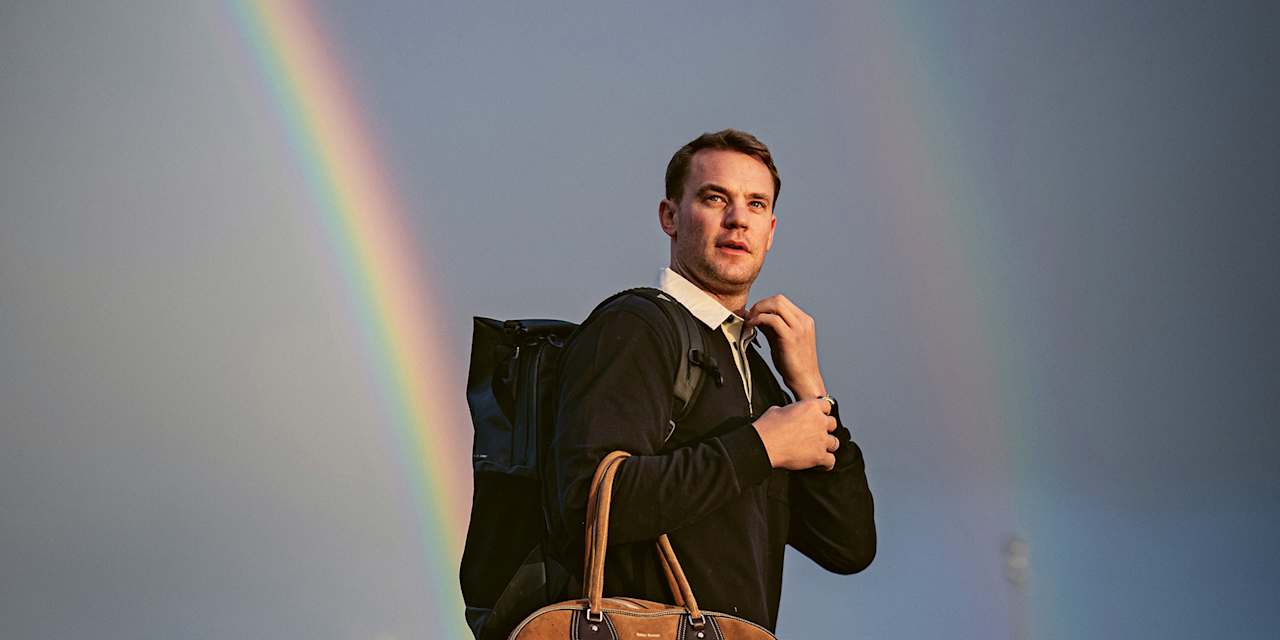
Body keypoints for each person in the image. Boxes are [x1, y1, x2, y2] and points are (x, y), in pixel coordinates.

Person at [549, 129, 875, 632]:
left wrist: (812, 389)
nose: (737, 217)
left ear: (770, 230)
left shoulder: (760, 374)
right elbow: (589, 505)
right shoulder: (636, 326)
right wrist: (759, 447)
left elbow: (849, 544)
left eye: (755, 203)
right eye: (714, 197)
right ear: (670, 216)